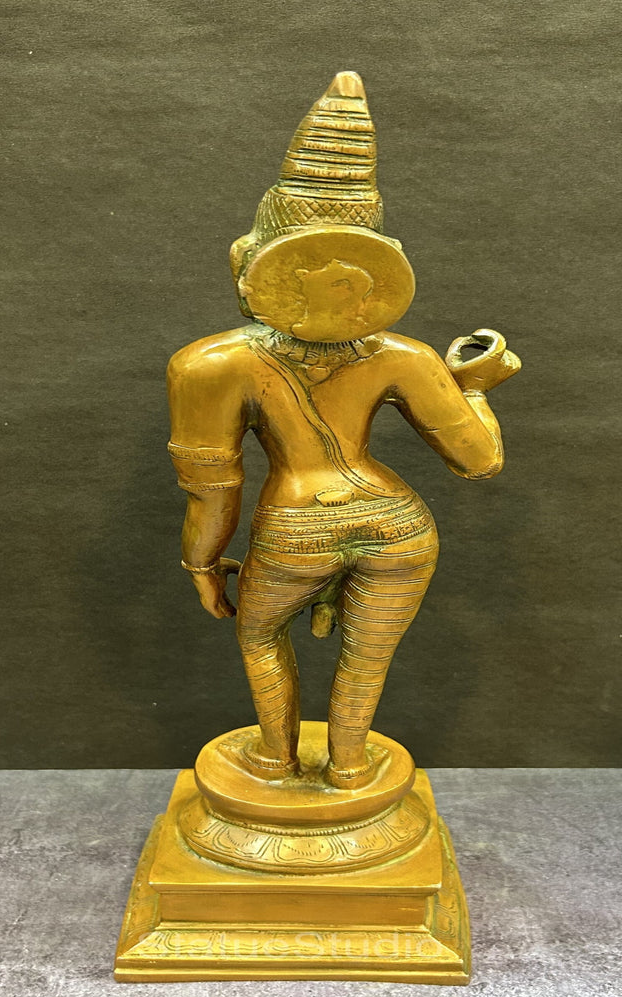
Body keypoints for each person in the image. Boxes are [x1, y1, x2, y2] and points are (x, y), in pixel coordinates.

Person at [167, 72, 519, 789]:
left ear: (246, 261)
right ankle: (351, 767)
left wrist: (202, 565)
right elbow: (480, 461)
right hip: (399, 526)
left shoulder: (211, 364)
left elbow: (213, 491)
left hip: (297, 527)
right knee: (367, 657)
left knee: (260, 634)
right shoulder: (405, 356)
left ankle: (275, 757)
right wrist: (474, 390)